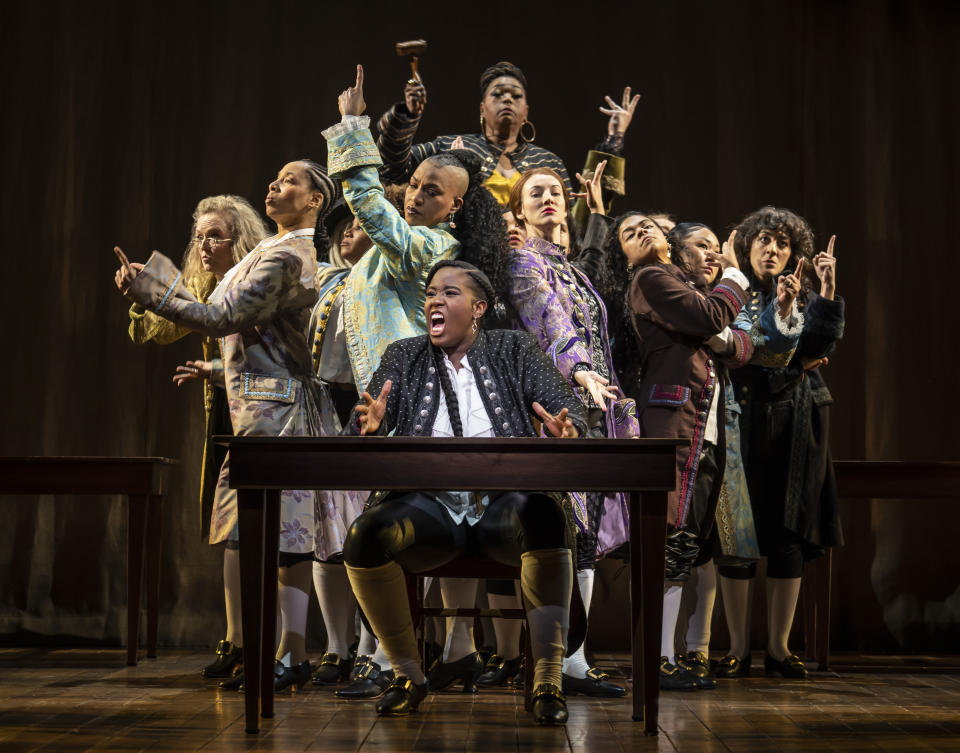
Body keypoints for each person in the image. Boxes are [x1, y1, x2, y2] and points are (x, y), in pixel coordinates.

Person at [113, 157, 342, 692]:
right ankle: (262, 649)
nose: (275, 184)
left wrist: (153, 289)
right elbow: (252, 338)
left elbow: (222, 319)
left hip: (280, 415)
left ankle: (292, 653)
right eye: (276, 177)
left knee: (288, 537)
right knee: (250, 533)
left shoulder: (289, 256)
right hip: (256, 413)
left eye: (290, 181)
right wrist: (214, 365)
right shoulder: (271, 250)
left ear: (313, 201)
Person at [342, 260, 586, 725]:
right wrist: (367, 427)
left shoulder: (514, 347)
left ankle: (548, 680)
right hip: (430, 510)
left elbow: (567, 409)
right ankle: (408, 675)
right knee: (365, 534)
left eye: (449, 293)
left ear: (478, 308)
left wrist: (566, 427)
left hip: (504, 507)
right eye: (431, 292)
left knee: (544, 517)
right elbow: (360, 423)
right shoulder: (404, 354)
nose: (435, 300)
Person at [625, 212, 801, 690]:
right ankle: (655, 658)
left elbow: (743, 347)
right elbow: (710, 319)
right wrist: (734, 282)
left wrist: (717, 329)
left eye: (714, 246)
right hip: (672, 421)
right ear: (677, 251)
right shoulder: (653, 277)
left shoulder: (699, 296)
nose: (713, 254)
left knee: (683, 545)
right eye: (701, 246)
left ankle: (666, 656)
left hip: (708, 426)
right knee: (665, 540)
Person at [125, 194, 269, 680]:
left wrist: (217, 370)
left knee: (271, 531)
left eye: (215, 236)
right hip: (226, 415)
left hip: (268, 412)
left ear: (240, 240)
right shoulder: (205, 286)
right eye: (199, 236)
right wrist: (142, 290)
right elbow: (151, 332)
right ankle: (236, 639)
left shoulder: (261, 279)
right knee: (231, 531)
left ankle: (271, 644)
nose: (204, 245)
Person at [506, 167, 632, 698]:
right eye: (535, 193)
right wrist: (579, 369)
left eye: (555, 191)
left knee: (585, 534)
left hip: (592, 407)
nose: (548, 199)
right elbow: (548, 321)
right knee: (566, 529)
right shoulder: (522, 260)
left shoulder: (569, 265)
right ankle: (560, 661)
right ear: (519, 211)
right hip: (555, 409)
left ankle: (572, 657)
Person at [323, 65, 513, 393]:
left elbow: (370, 203)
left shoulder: (435, 246)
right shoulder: (427, 238)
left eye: (432, 192)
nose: (415, 198)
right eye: (413, 185)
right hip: (396, 383)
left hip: (408, 388)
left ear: (455, 206)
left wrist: (352, 123)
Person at [716, 207, 844, 680]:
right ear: (747, 245)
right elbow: (735, 352)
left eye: (783, 244)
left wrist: (826, 295)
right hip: (739, 419)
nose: (773, 251)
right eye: (764, 241)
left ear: (795, 254)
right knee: (738, 534)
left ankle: (778, 647)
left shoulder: (805, 293)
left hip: (796, 423)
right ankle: (736, 648)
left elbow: (814, 350)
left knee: (789, 531)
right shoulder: (729, 293)